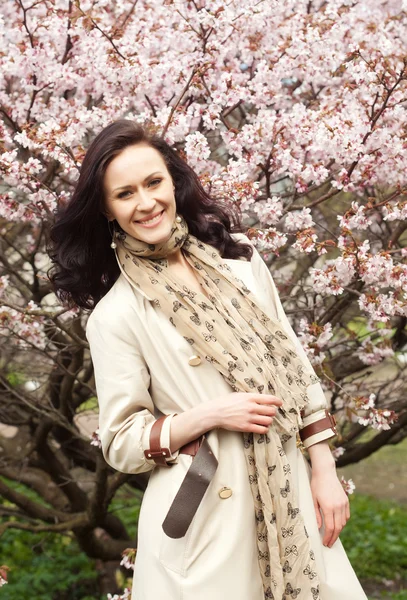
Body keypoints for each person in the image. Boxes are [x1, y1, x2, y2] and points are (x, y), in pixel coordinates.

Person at [49, 120, 367, 600]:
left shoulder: (242, 263)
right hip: (208, 508)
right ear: (108, 209)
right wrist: (211, 414)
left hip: (288, 489)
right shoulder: (116, 314)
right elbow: (120, 442)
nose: (146, 203)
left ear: (174, 182)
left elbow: (296, 370)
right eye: (125, 193)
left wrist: (323, 470)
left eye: (154, 183)